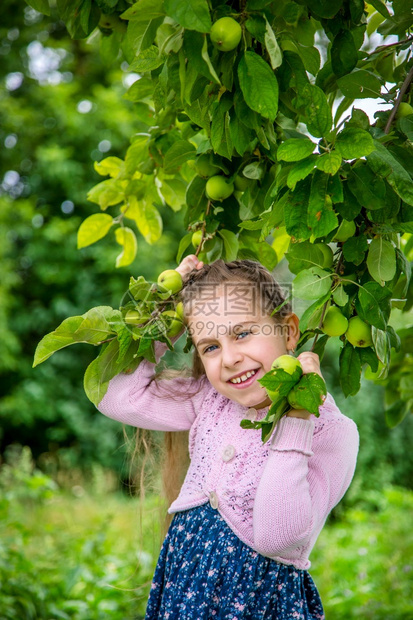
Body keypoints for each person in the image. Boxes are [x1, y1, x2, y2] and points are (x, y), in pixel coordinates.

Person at [97, 256, 359, 620]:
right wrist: (165, 313)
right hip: (184, 593)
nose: (230, 358)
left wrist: (298, 415)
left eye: (242, 333)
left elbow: (277, 537)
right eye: (210, 347)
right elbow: (115, 394)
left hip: (256, 603)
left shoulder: (331, 430)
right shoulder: (211, 399)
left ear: (289, 331)